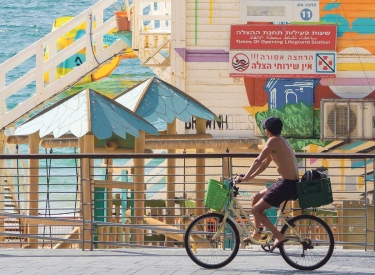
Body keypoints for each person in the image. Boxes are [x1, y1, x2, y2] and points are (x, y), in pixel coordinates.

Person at [234, 116, 299, 252]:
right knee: (255, 198)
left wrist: (245, 177)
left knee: (256, 210)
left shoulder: (273, 141)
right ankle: (257, 233)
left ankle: (278, 236)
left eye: (264, 128)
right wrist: (249, 177)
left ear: (268, 131)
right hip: (285, 181)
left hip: (286, 184)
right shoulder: (280, 140)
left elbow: (258, 160)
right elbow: (264, 164)